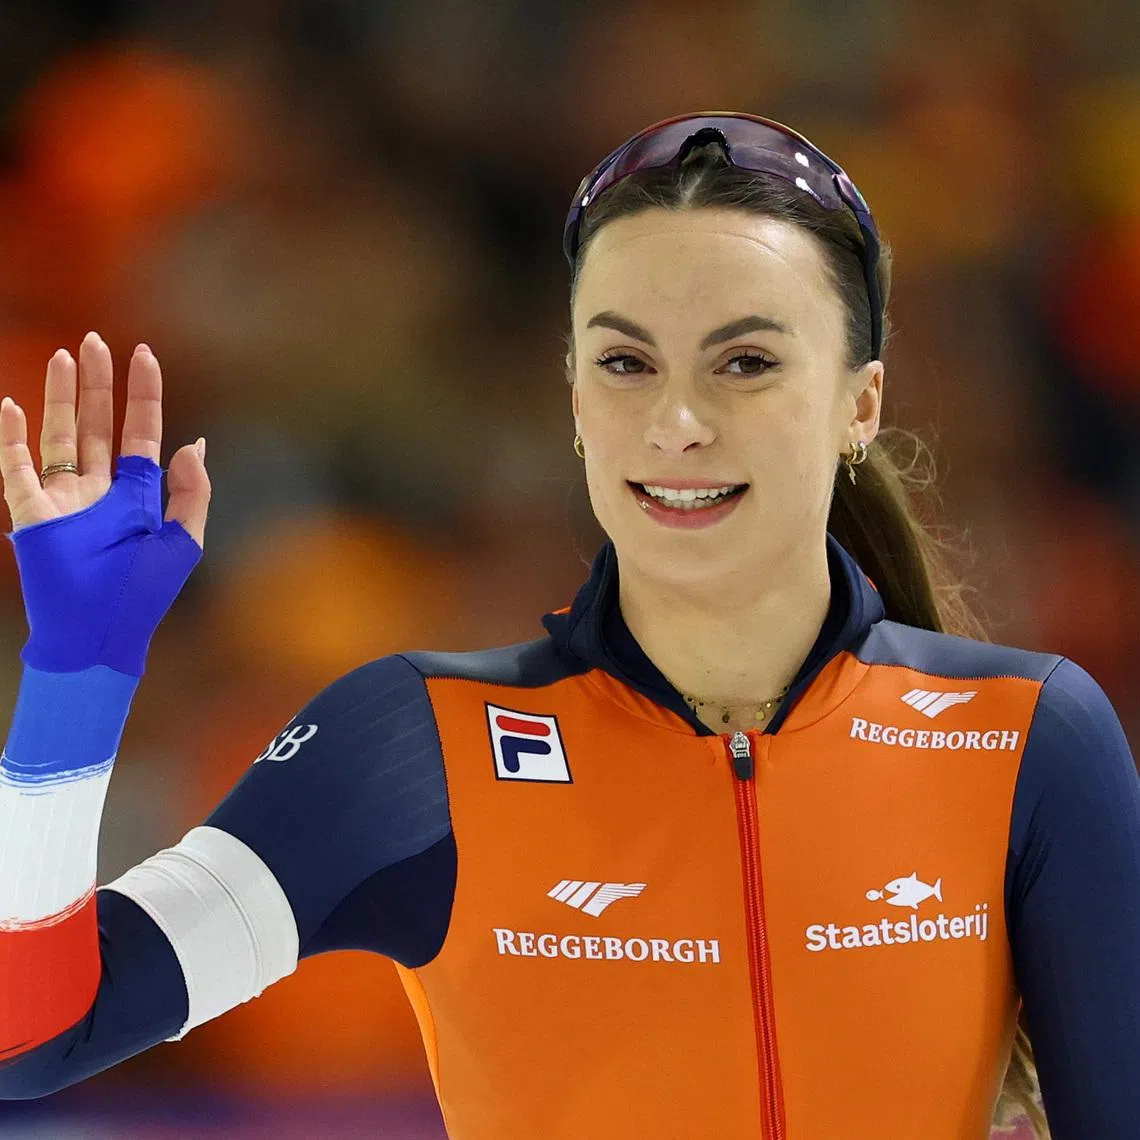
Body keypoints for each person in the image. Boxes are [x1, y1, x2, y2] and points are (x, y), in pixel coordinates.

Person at [0, 112, 1137, 1140]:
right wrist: (75, 672)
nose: (678, 424)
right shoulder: (414, 747)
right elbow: (33, 1041)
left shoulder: (1024, 737)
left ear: (862, 402)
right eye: (626, 363)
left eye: (746, 363)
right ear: (577, 400)